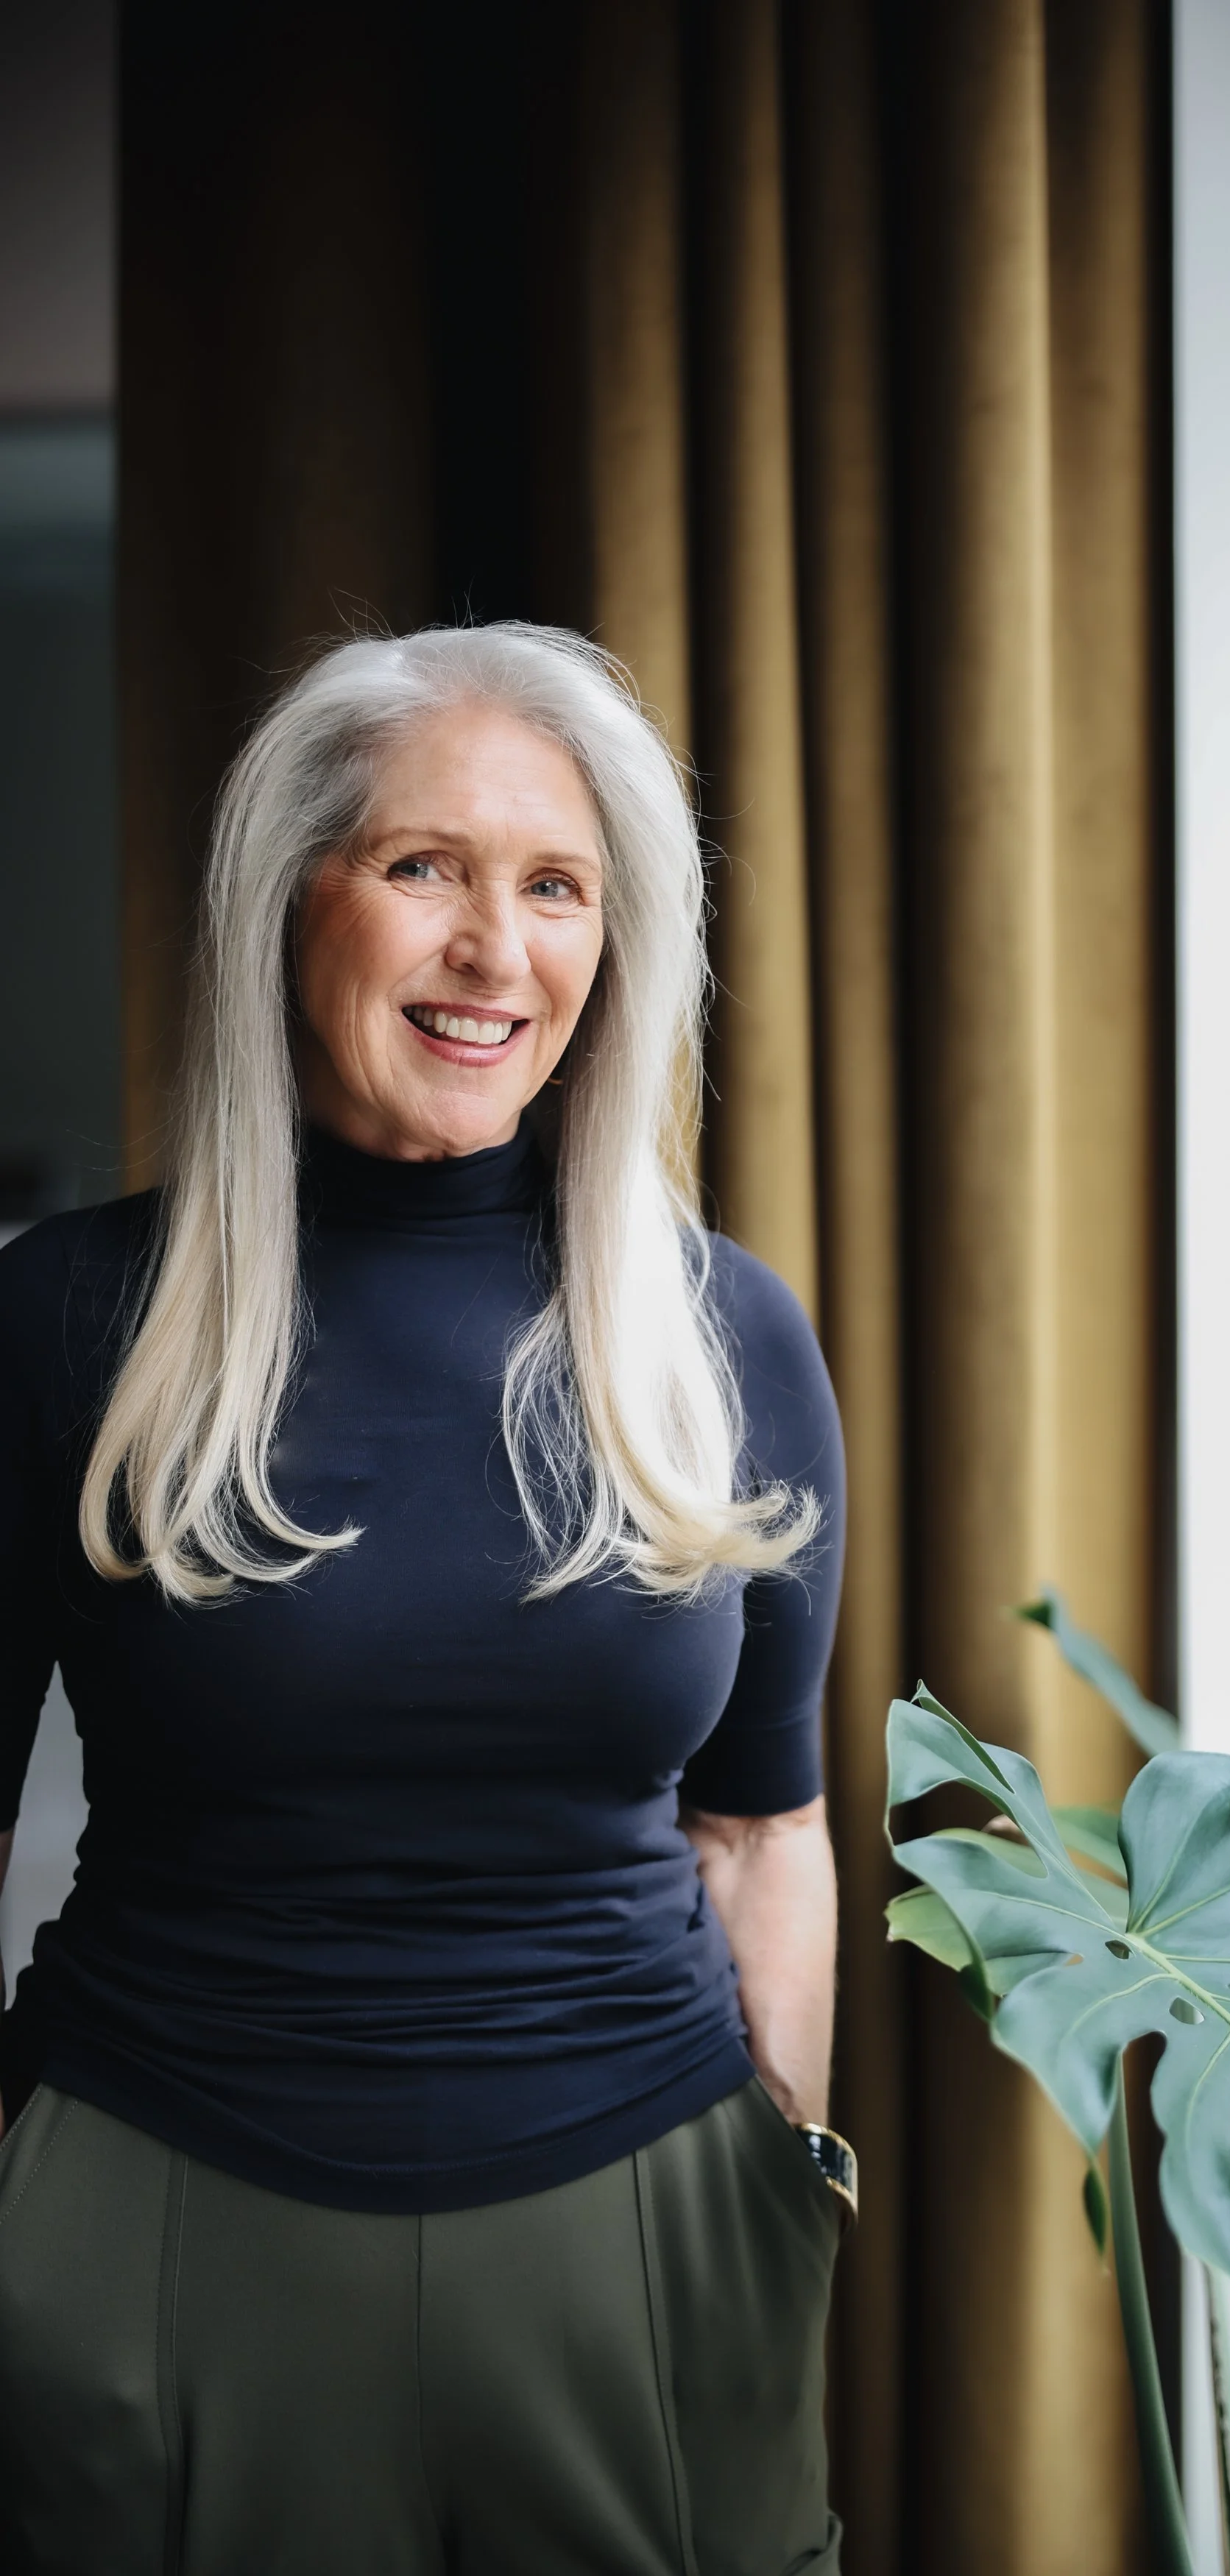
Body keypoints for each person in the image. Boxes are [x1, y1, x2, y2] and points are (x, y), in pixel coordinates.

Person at [0, 624, 852, 2576]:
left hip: (656, 2222)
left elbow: (762, 1825)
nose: (496, 948)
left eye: (555, 884)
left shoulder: (722, 1332)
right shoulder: (65, 1322)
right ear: (286, 899)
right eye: (424, 868)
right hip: (156, 2203)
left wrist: (783, 2168)